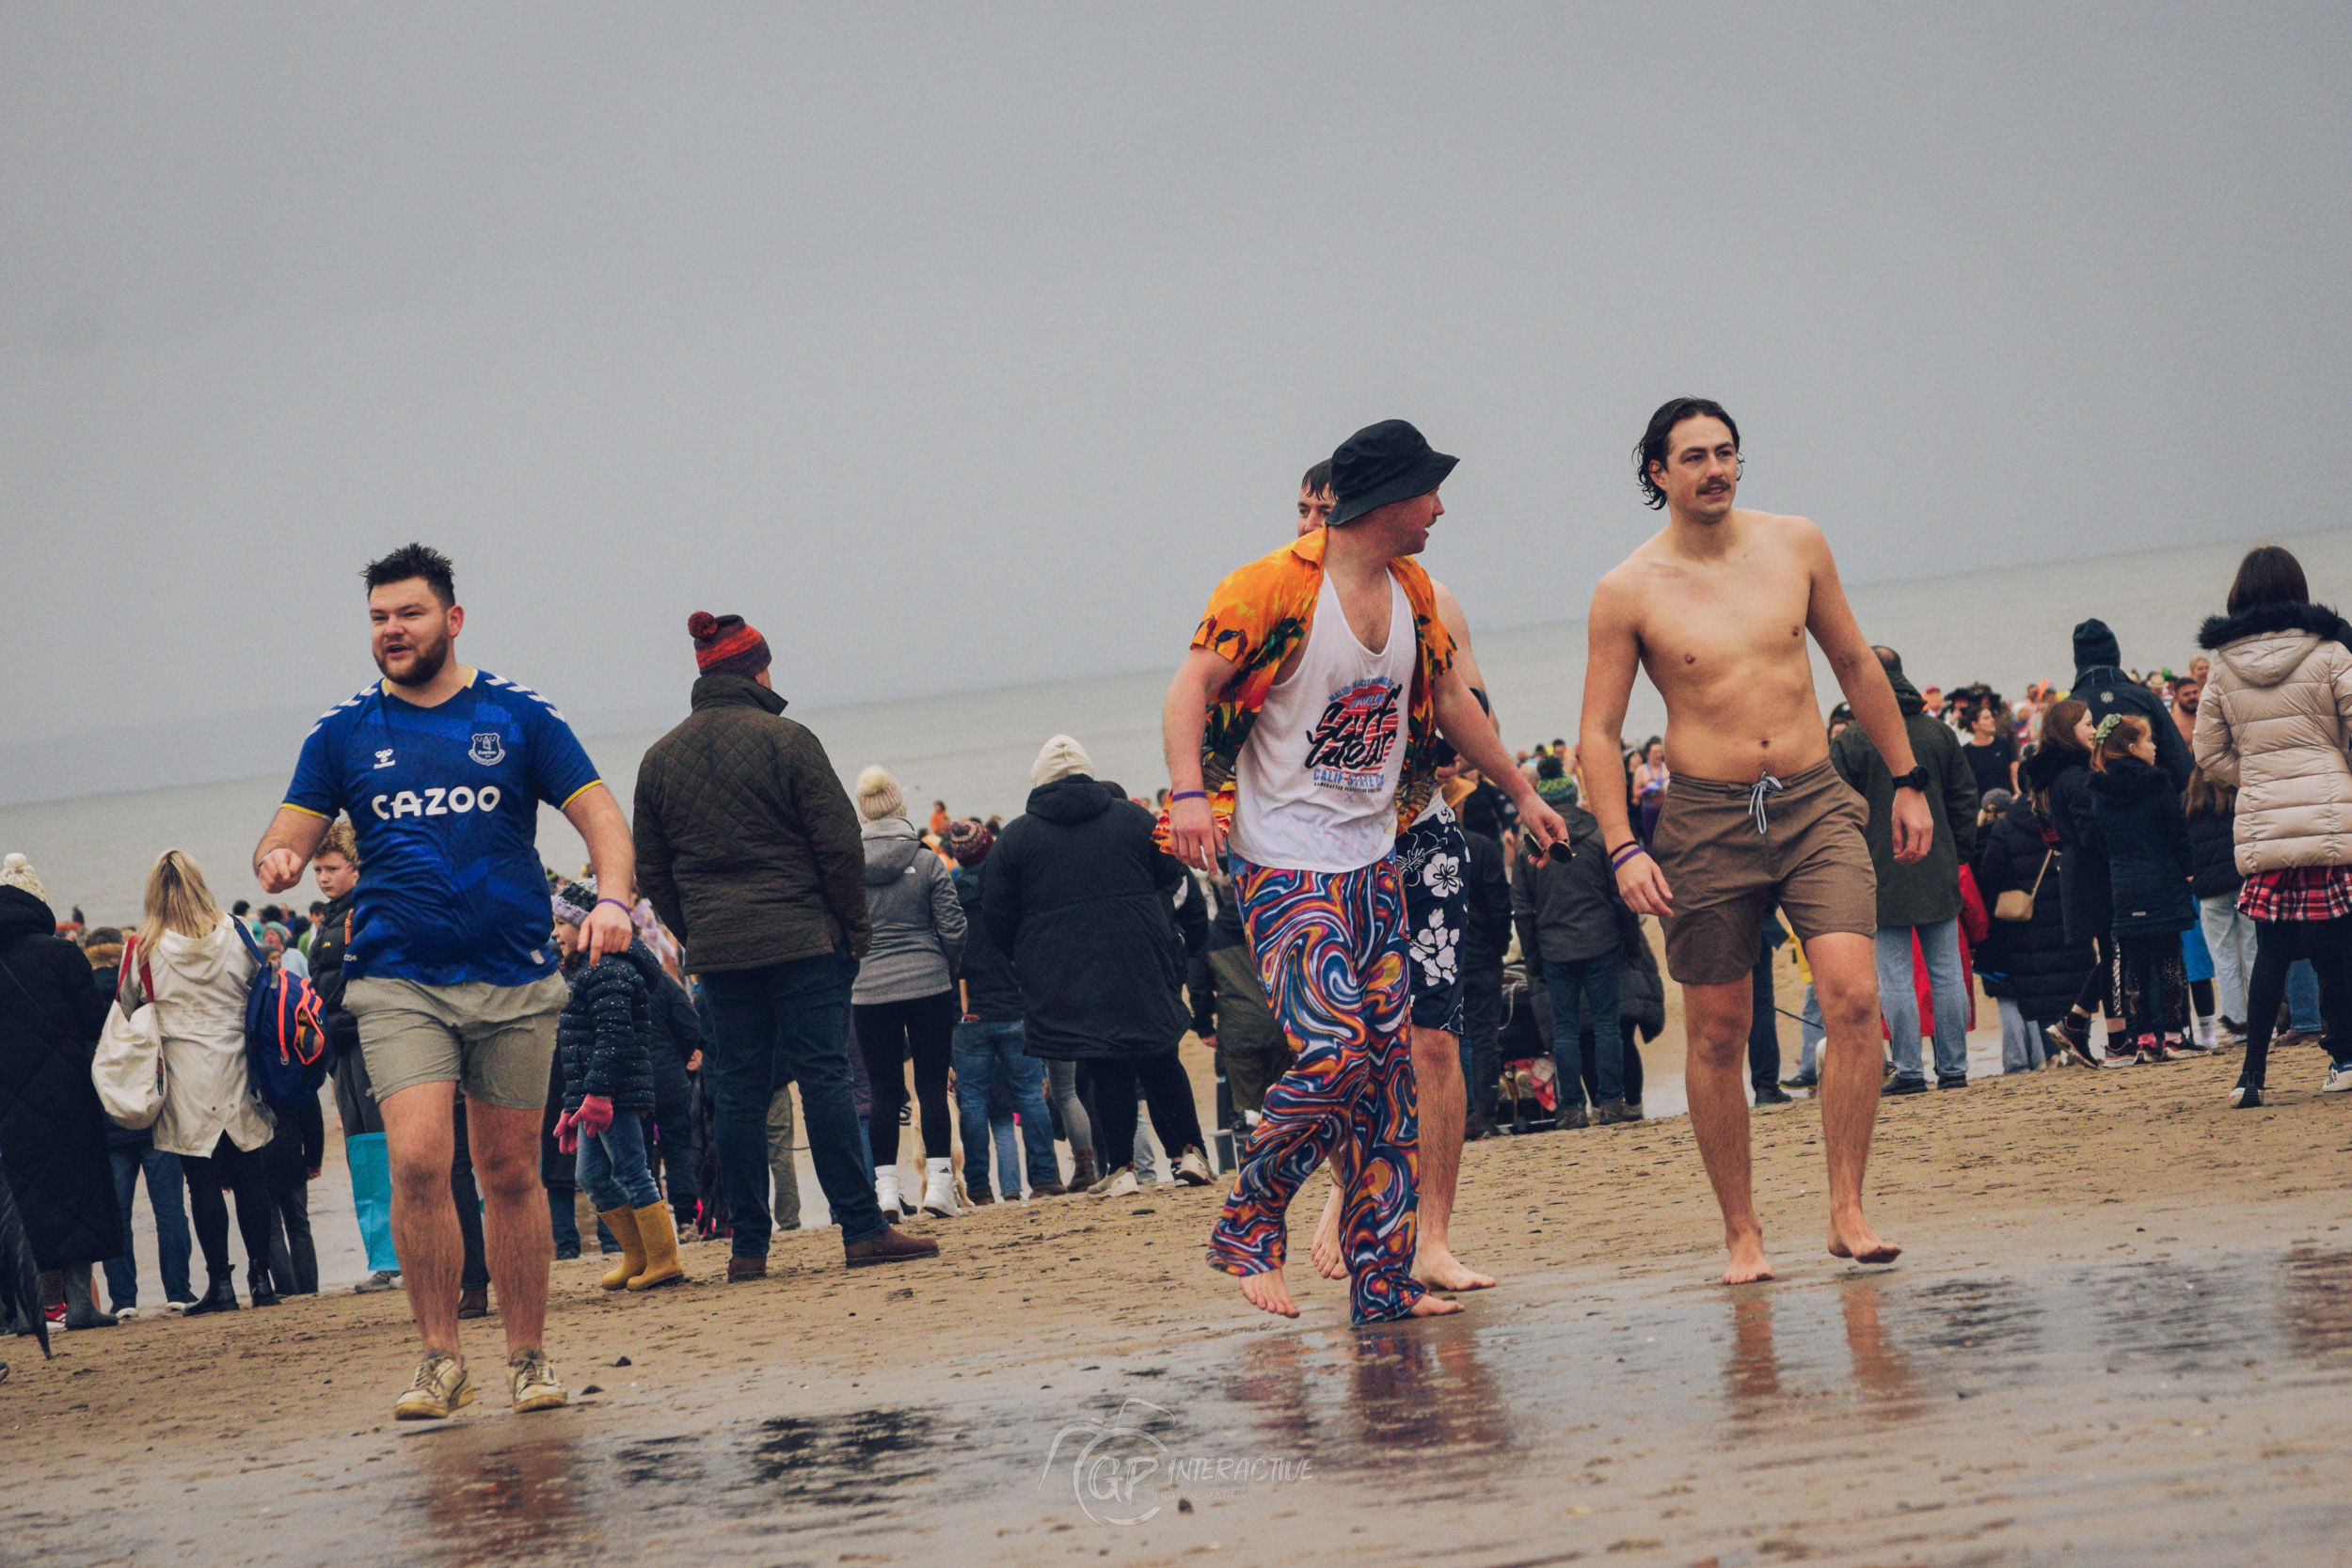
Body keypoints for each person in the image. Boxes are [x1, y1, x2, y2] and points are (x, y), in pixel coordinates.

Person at [1165, 420, 1567, 1322]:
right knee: (1339, 1050)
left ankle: (1381, 1286)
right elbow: (1190, 687)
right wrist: (1189, 793)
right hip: (1285, 866)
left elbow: (1454, 701)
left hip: (1375, 859)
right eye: (1429, 489)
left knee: (1386, 1081)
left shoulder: (1414, 588)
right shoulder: (1269, 587)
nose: (1440, 507)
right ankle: (1250, 1214)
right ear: (1388, 498)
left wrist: (1521, 792)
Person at [251, 543, 632, 1417]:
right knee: (420, 1161)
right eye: (380, 617)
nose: (392, 630)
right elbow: (292, 828)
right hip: (398, 979)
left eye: (409, 614)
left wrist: (612, 896)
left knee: (509, 1171)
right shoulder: (343, 731)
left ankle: (528, 1355)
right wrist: (278, 857)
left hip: (513, 975)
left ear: (452, 620)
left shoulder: (519, 716)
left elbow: (600, 812)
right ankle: (438, 1356)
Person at [1579, 397, 1920, 1284]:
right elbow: (1599, 730)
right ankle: (1743, 1233)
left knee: (1851, 997)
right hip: (1703, 818)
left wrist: (1908, 778)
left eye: (1726, 452)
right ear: (1657, 473)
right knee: (1719, 1029)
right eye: (1693, 456)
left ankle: (1846, 1207)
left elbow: (1853, 663)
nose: (1715, 468)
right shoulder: (1628, 590)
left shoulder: (1796, 544)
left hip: (1814, 801)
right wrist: (1622, 845)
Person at [630, 610, 933, 1279]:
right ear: (757, 669)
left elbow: (651, 870)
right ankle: (860, 1228)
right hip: (803, 940)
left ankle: (748, 1246)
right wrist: (853, 931)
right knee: (823, 1076)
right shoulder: (790, 740)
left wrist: (695, 929)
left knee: (738, 1089)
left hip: (722, 951)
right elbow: (836, 848)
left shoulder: (659, 760)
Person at [1291, 456, 1506, 1295]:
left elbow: (1476, 709)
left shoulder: (1428, 597)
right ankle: (1352, 1196)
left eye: (1323, 508)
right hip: (1328, 855)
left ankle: (1433, 1238)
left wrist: (1457, 740)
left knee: (1434, 1041)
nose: (1309, 523)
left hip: (1420, 835)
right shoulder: (1279, 604)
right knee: (1356, 1049)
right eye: (1301, 508)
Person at [987, 735, 1212, 1199]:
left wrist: (1025, 959)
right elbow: (1174, 881)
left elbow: (996, 919)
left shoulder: (1016, 838)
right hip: (1141, 957)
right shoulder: (1134, 818)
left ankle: (1122, 1167)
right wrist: (1175, 940)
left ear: (1039, 781)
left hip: (1067, 968)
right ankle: (1191, 1153)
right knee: (1160, 1055)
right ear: (1088, 772)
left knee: (1104, 1062)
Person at [2191, 546, 2352, 1107]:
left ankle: (2251, 1076)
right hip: (2330, 813)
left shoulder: (2223, 663)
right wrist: (2335, 769)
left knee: (2273, 949)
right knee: (2338, 944)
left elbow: (2208, 752)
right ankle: (2346, 1060)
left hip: (2266, 819)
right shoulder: (2331, 651)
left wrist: (2255, 775)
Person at [121, 850, 278, 1315]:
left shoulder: (145, 946)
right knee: (251, 1177)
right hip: (239, 1065)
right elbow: (259, 987)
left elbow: (130, 1006)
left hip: (186, 1072)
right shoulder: (236, 931)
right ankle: (262, 1277)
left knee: (202, 1183)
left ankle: (221, 1286)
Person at [1831, 647, 1979, 1093]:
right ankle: (1953, 1068)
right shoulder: (1939, 733)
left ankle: (1910, 1069)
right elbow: (1964, 798)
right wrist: (1958, 852)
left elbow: (1839, 812)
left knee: (1894, 976)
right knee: (1948, 971)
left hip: (1878, 868)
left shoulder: (1853, 740)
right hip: (1937, 860)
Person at [0, 855, 119, 1330]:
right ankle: (82, 1305)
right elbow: (94, 1021)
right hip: (66, 1092)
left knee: (21, 1203)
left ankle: (30, 1312)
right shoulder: (61, 954)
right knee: (78, 1194)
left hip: (6, 1103)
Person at [548, 881, 685, 1293]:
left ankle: (664, 1259)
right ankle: (638, 1256)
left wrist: (599, 1095)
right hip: (594, 1093)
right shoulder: (586, 971)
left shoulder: (611, 971)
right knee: (591, 1175)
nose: (555, 934)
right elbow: (580, 1048)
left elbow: (614, 1039)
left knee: (630, 1169)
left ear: (588, 925)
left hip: (615, 1092)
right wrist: (572, 1105)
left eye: (561, 924)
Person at [850, 766, 968, 1219]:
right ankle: (939, 1186)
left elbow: (841, 929)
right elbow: (954, 928)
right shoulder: (928, 860)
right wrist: (945, 966)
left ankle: (885, 1190)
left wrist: (857, 968)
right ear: (899, 807)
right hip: (928, 984)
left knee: (883, 1091)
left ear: (863, 813)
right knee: (932, 1086)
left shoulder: (848, 869)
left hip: (870, 988)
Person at [1511, 758, 1638, 1124]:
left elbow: (1523, 909)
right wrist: (1629, 943)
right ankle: (1611, 1101)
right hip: (1601, 940)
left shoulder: (1529, 847)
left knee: (1564, 1030)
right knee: (1606, 1024)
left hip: (1554, 947)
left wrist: (1532, 957)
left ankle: (1571, 1108)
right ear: (1575, 796)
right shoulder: (1598, 836)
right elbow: (1618, 897)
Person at [946, 819, 1061, 1202]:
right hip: (1013, 1004)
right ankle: (1045, 1178)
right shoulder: (1010, 892)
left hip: (970, 1008)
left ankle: (979, 1186)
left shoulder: (951, 897)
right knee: (1030, 1094)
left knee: (973, 1100)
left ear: (956, 856)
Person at [81, 927, 194, 1317]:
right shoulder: (145, 989)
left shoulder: (79, 999)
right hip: (155, 1114)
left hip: (107, 1118)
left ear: (90, 957)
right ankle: (179, 1291)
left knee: (118, 1216)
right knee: (170, 1210)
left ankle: (124, 1300)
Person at [2087, 716, 2195, 1061]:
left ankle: (2145, 1037)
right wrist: (2188, 870)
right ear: (2133, 748)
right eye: (2149, 741)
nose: (2155, 747)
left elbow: (2101, 841)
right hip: (2162, 879)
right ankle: (2175, 1037)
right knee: (2168, 961)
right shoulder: (2159, 784)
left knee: (2133, 964)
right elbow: (2177, 831)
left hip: (2124, 883)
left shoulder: (2099, 790)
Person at [1972, 781, 2096, 1072]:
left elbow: (1990, 870)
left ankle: (2050, 1055)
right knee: (2077, 980)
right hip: (2071, 912)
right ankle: (2081, 1046)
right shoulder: (2067, 814)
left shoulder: (2007, 825)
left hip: (2027, 922)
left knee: (2040, 989)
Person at [2074, 619, 2194, 787]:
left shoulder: (2069, 708)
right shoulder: (2146, 698)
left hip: (2089, 808)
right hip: (2150, 801)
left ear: (2078, 660)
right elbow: (2180, 766)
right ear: (2115, 655)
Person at [2185, 771, 2250, 1043]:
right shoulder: (2239, 801)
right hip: (2244, 882)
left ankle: (2237, 1026)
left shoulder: (2189, 807)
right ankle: (2262, 1021)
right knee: (2253, 952)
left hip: (2209, 891)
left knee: (2224, 960)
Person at [1959, 692, 2020, 800]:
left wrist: (2017, 792)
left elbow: (2014, 769)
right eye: (1986, 718)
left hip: (2007, 801)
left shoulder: (2003, 743)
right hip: (1981, 806)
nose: (1992, 720)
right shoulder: (1966, 752)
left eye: (1992, 717)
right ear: (1975, 725)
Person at [1631, 739, 1670, 846]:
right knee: (1652, 843)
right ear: (1648, 754)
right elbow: (1635, 793)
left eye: (1660, 752)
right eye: (1655, 753)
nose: (1659, 755)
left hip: (1667, 810)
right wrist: (1647, 789)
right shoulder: (1641, 770)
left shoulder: (1667, 767)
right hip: (1649, 811)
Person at [2169, 676, 2202, 750]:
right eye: (2186, 694)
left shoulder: (2212, 717)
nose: (2192, 697)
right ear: (2176, 698)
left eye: (2195, 692)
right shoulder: (2172, 723)